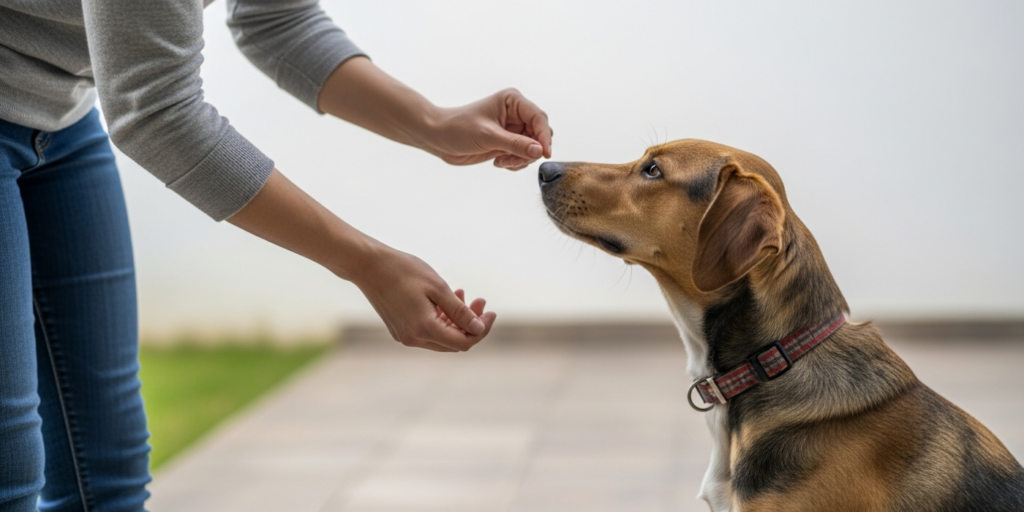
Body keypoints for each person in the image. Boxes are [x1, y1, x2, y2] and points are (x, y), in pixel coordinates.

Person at [0, 0, 553, 509]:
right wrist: (366, 263)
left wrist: (433, 123)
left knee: (106, 473)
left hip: (63, 122)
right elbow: (157, 114)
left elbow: (275, 17)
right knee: (11, 471)